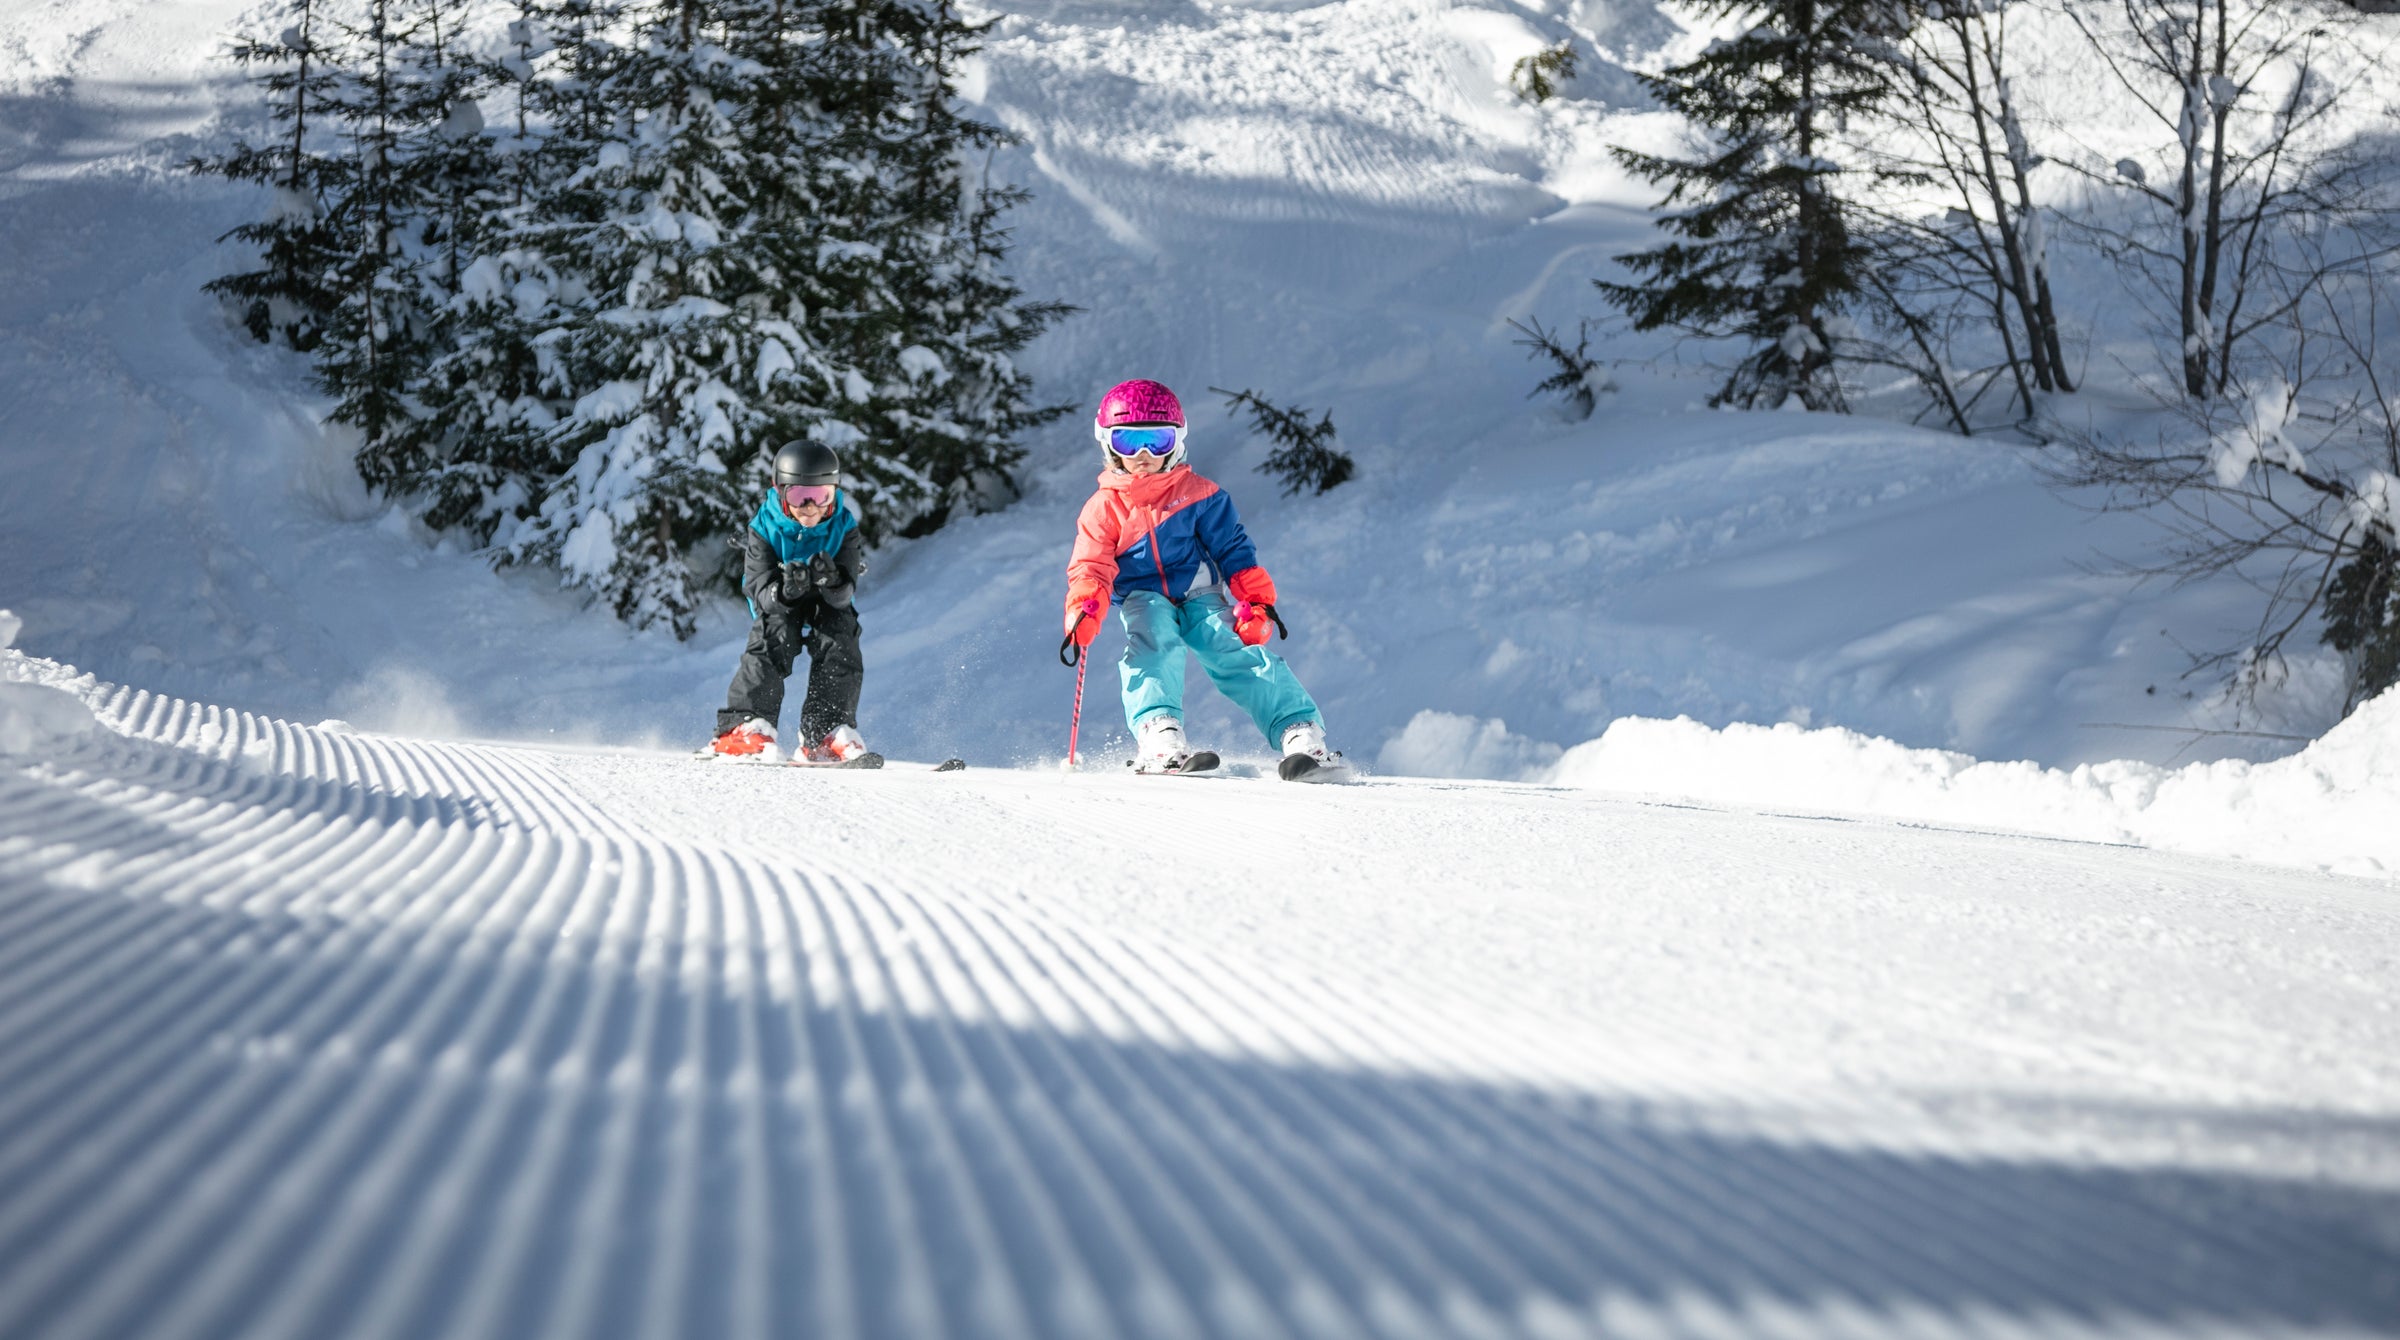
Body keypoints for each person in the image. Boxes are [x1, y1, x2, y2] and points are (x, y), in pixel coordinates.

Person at [1062, 379, 1343, 778]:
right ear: (1108, 444)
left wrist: (1256, 602)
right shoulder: (1104, 508)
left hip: (1199, 594)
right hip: (1143, 596)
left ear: (1176, 442)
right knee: (1153, 643)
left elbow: (1233, 550)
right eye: (1129, 442)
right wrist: (1084, 607)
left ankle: (1299, 731)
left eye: (1157, 441)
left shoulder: (1200, 495)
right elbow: (1091, 566)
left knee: (1231, 647)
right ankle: (1160, 734)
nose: (1143, 455)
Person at [710, 441, 876, 765]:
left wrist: (833, 580)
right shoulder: (764, 526)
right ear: (781, 492)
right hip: (779, 603)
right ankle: (744, 725)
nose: (811, 507)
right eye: (800, 497)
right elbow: (759, 590)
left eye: (822, 496)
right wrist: (786, 592)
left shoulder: (844, 525)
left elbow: (845, 594)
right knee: (775, 633)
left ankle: (825, 732)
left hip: (827, 603)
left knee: (841, 634)